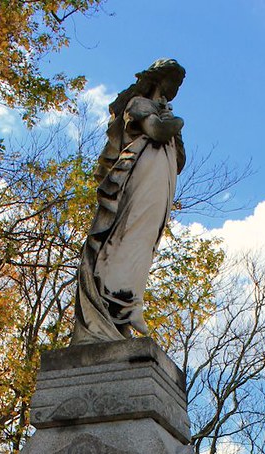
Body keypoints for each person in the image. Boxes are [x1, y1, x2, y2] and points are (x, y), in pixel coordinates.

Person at [72, 58, 186, 344]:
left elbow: (180, 158)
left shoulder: (164, 112)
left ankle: (125, 309)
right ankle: (115, 300)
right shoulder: (140, 104)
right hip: (138, 178)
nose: (178, 86)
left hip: (159, 181)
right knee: (127, 237)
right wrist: (175, 122)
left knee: (144, 242)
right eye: (175, 79)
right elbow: (158, 131)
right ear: (160, 78)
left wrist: (174, 127)